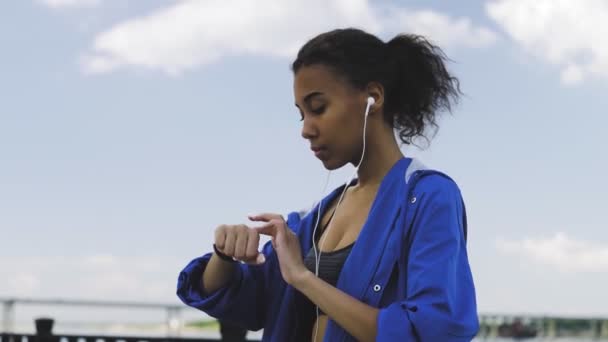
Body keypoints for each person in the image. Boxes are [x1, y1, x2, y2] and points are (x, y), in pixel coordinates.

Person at [176, 27, 479, 341]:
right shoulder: (311, 221)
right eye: (301, 114)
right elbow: (242, 299)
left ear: (372, 99)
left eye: (318, 108)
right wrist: (224, 255)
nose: (306, 130)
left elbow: (432, 331)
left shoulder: (428, 198)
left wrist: (304, 278)